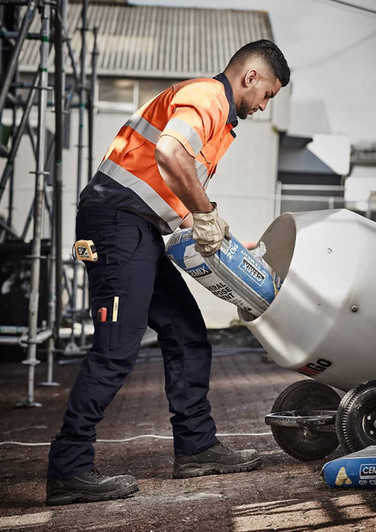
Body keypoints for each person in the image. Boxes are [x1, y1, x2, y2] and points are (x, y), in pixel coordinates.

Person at [46, 39, 290, 506]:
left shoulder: (218, 121)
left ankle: (196, 448)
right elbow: (171, 155)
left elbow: (181, 204)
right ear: (251, 77)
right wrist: (206, 214)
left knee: (186, 332)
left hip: (138, 228)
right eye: (268, 95)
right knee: (117, 348)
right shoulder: (207, 98)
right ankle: (69, 468)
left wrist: (227, 241)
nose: (264, 106)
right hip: (116, 222)